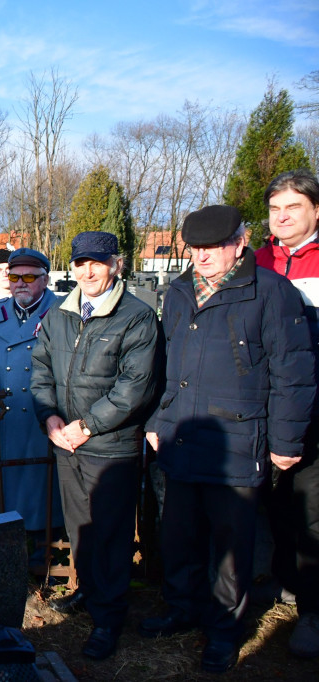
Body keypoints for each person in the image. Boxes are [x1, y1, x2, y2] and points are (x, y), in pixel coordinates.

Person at [137, 205, 314, 673]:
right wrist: (158, 420)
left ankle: (222, 628)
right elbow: (168, 365)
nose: (203, 257)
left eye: (213, 247)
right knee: (179, 534)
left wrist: (286, 441)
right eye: (195, 248)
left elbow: (293, 373)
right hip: (181, 436)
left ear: (240, 241)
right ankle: (182, 606)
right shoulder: (178, 292)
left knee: (231, 544)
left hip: (238, 436)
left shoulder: (270, 292)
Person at [29, 231, 160, 661]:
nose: (87, 271)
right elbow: (41, 368)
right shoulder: (60, 314)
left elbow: (134, 387)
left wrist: (85, 426)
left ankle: (109, 615)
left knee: (111, 532)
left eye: (97, 263)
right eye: (80, 262)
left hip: (110, 445)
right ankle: (90, 591)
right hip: (65, 442)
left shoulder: (137, 317)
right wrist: (49, 416)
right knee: (80, 526)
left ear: (115, 265)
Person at [255, 170, 319, 659]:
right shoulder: (259, 261)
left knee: (311, 509)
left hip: (314, 404)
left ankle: (313, 608)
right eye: (276, 209)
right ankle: (283, 579)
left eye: (293, 207)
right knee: (273, 502)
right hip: (264, 403)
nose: (283, 217)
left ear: (315, 210)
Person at [0, 248, 63, 543]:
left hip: (44, 414)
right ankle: (6, 544)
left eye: (30, 276)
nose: (21, 283)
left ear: (45, 279)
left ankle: (44, 547)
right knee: (6, 487)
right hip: (5, 416)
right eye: (15, 276)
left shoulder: (62, 310)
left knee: (42, 486)